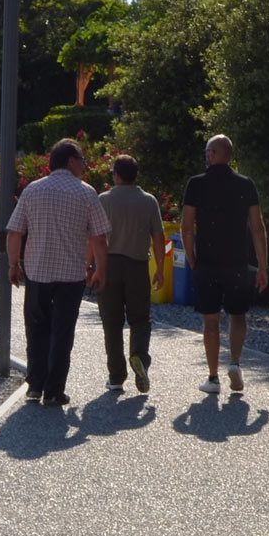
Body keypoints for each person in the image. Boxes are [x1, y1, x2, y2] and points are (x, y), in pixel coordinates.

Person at [3, 139, 109, 408]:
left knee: (36, 329)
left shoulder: (32, 190)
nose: (84, 166)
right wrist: (100, 270)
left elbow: (15, 231)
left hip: (37, 273)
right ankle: (54, 391)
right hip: (71, 276)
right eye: (82, 160)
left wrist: (13, 264)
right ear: (71, 161)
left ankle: (34, 386)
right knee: (62, 333)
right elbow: (98, 238)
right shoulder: (86, 193)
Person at [180, 134, 267, 395]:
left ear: (212, 154)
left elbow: (186, 228)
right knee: (238, 315)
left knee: (211, 320)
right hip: (238, 263)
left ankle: (213, 377)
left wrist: (192, 259)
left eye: (208, 152)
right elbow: (257, 227)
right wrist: (263, 266)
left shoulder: (196, 184)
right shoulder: (245, 184)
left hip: (207, 262)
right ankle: (235, 362)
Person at [96, 154, 162, 394]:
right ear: (137, 175)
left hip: (110, 265)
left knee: (112, 323)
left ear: (116, 174)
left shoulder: (103, 200)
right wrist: (160, 272)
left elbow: (95, 237)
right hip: (137, 265)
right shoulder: (149, 201)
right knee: (140, 319)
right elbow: (158, 238)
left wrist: (89, 265)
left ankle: (116, 376)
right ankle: (140, 359)